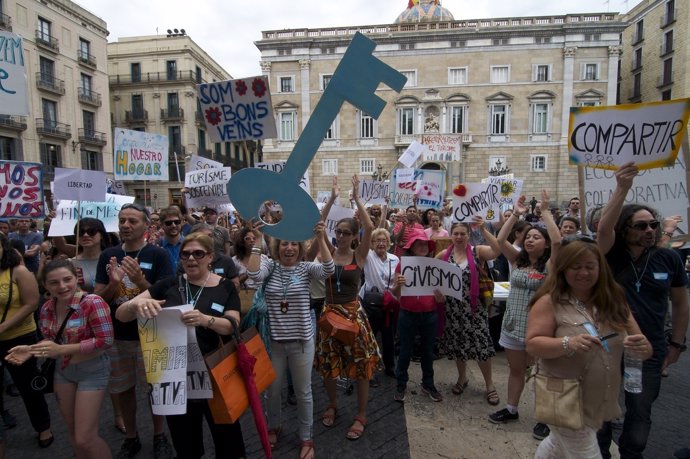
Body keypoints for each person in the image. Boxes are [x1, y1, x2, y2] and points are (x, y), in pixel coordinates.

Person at [115, 233, 245, 459]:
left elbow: (232, 325)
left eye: (198, 253)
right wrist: (137, 304)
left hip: (215, 372)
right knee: (185, 441)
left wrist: (206, 320)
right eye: (186, 254)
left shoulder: (225, 287)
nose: (191, 258)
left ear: (210, 257)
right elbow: (121, 315)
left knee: (227, 437)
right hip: (174, 376)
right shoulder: (168, 285)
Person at [596, 162, 689, 459]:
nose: (649, 230)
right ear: (625, 230)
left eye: (653, 225)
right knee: (602, 408)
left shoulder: (668, 259)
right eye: (640, 225)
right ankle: (599, 453)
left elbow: (680, 302)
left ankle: (631, 454)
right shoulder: (610, 254)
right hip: (607, 344)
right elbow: (603, 228)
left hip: (648, 348)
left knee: (640, 411)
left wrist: (676, 344)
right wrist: (622, 189)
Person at [526, 238, 652, 458]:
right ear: (563, 269)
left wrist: (641, 346)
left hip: (599, 396)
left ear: (600, 269)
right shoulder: (549, 301)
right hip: (564, 396)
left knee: (557, 444)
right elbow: (533, 344)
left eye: (589, 266)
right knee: (585, 450)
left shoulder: (614, 299)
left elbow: (642, 344)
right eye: (576, 267)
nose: (583, 272)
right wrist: (568, 343)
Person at [8, 259, 114, 458]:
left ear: (77, 278)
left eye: (67, 279)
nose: (62, 286)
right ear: (45, 286)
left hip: (92, 371)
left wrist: (60, 349)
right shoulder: (47, 308)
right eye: (54, 283)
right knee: (73, 434)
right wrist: (30, 349)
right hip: (63, 372)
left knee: (85, 438)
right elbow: (51, 342)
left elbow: (105, 341)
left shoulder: (92, 302)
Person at [94, 203, 174, 459]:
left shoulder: (157, 255)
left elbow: (166, 298)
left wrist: (140, 280)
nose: (125, 225)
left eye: (132, 221)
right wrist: (114, 283)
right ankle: (131, 436)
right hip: (118, 336)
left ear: (145, 226)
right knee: (123, 390)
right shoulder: (108, 255)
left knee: (154, 390)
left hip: (149, 336)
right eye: (122, 220)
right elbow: (98, 298)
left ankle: (159, 435)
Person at [248, 223, 333, 459]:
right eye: (284, 243)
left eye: (293, 244)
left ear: (300, 248)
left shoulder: (306, 268)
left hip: (302, 342)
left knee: (304, 391)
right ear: (277, 246)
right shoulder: (269, 265)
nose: (289, 248)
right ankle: (273, 425)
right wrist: (257, 241)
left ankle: (306, 437)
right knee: (272, 391)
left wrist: (320, 236)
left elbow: (328, 269)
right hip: (273, 343)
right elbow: (254, 275)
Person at [487, 191, 561, 443]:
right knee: (516, 370)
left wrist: (547, 213)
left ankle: (544, 418)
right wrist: (516, 214)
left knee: (541, 373)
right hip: (513, 323)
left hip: (539, 328)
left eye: (536, 237)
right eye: (527, 236)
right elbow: (499, 239)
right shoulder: (517, 262)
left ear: (546, 242)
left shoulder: (551, 265)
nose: (530, 240)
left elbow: (559, 242)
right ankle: (511, 408)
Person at [315, 175, 380, 442]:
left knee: (361, 365)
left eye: (345, 233)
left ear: (354, 237)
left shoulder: (359, 255)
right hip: (329, 314)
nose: (340, 236)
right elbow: (318, 223)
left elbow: (369, 225)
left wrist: (356, 197)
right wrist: (331, 198)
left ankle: (361, 414)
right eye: (337, 232)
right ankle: (333, 403)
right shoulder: (328, 250)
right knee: (328, 365)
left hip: (354, 314)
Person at [436, 219, 501, 405]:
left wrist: (483, 229)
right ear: (451, 235)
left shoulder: (477, 251)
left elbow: (496, 250)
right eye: (455, 233)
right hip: (452, 309)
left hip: (474, 308)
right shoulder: (443, 254)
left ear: (468, 235)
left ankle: (490, 385)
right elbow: (433, 276)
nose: (458, 237)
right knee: (458, 345)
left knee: (481, 346)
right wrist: (437, 292)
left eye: (462, 234)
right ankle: (462, 378)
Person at [0, 233, 53, 448]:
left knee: (28, 387)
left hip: (18, 338)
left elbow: (31, 304)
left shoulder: (18, 271)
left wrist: (3, 327)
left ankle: (43, 427)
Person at [392, 228, 444, 403]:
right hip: (407, 314)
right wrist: (397, 284)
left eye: (425, 244)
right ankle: (401, 384)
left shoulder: (434, 266)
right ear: (411, 247)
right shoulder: (402, 264)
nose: (422, 247)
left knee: (428, 352)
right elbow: (394, 292)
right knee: (405, 351)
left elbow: (442, 295)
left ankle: (428, 383)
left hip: (429, 314)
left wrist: (440, 298)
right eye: (418, 244)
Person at [359, 228, 400, 382]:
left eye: (384, 240)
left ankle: (390, 367)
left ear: (389, 243)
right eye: (377, 240)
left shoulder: (395, 259)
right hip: (371, 305)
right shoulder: (368, 256)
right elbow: (362, 238)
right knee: (369, 339)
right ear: (372, 243)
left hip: (388, 304)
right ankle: (369, 370)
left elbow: (396, 282)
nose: (381, 243)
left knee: (389, 337)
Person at [158, 207, 184, 272]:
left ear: (181, 223)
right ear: (161, 225)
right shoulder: (157, 245)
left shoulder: (190, 244)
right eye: (168, 223)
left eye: (177, 222)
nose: (173, 225)